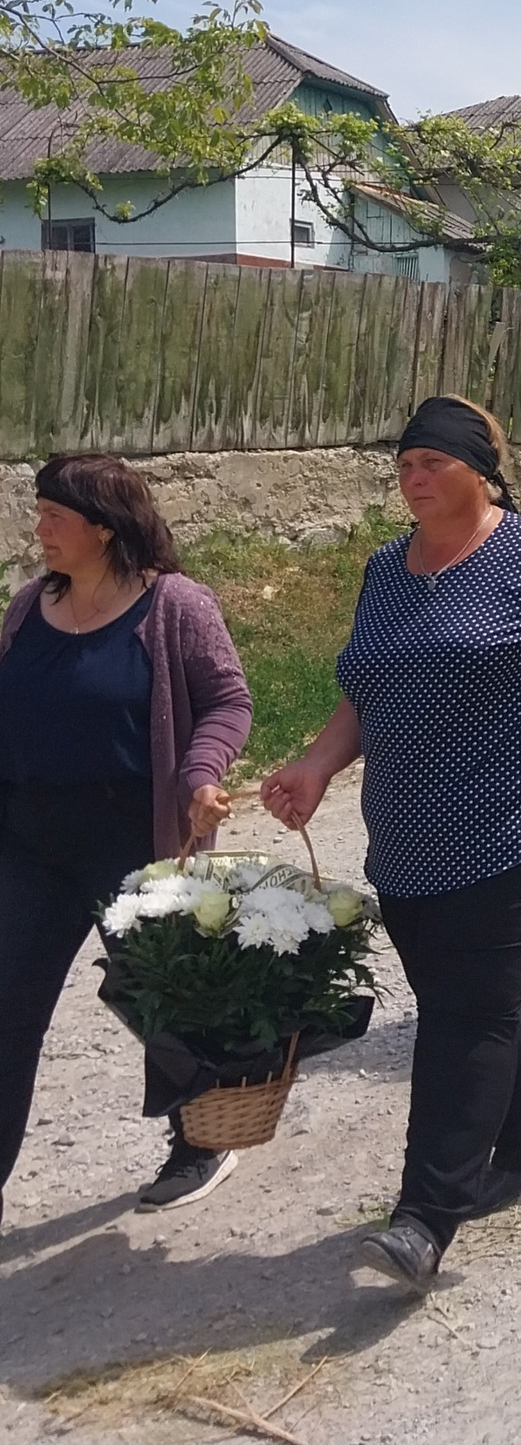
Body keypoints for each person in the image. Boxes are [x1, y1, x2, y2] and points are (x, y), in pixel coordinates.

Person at [262, 396, 521, 1293]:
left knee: (464, 1012)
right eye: (404, 465)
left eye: (430, 464)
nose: (412, 480)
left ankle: (426, 1214)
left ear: (478, 472)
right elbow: (365, 690)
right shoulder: (387, 570)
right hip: (409, 837)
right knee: (475, 997)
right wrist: (315, 766)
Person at [1, 455, 252, 1223]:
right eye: (37, 513)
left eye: (54, 517)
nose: (37, 530)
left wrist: (202, 776)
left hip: (132, 837)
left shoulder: (175, 606)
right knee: (6, 1007)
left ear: (104, 529)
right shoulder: (25, 608)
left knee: (162, 997)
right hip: (30, 841)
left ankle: (202, 1138)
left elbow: (226, 701)